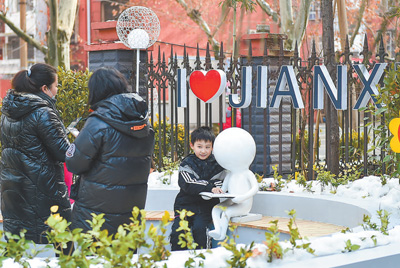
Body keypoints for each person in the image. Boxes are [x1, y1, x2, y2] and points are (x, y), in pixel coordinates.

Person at [65, 67, 155, 235]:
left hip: (96, 214)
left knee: (94, 259)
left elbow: (74, 163)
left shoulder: (97, 123)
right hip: (130, 213)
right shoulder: (143, 122)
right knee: (125, 258)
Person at [0, 63, 72, 247]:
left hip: (13, 188)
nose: (57, 91)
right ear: (45, 88)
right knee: (63, 241)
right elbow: (64, 152)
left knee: (16, 244)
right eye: (56, 86)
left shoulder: (7, 112)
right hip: (44, 188)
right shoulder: (43, 113)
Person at [170, 126, 225, 251]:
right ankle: (178, 261)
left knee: (200, 229)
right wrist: (209, 186)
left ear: (212, 147)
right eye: (199, 146)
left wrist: (204, 185)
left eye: (207, 147)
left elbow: (221, 184)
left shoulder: (218, 165)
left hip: (206, 209)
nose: (203, 151)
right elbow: (188, 183)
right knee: (178, 232)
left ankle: (204, 259)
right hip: (184, 206)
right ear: (192, 145)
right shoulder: (187, 163)